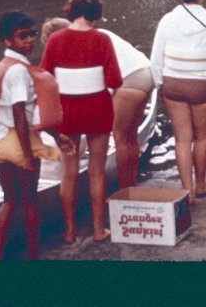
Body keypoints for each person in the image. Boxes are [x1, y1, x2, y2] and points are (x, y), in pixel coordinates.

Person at [0, 11, 75, 260]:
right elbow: (21, 114)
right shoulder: (19, 72)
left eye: (32, 34)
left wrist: (56, 135)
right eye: (23, 36)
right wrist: (28, 155)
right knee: (30, 202)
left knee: (9, 201)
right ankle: (33, 257)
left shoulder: (0, 68)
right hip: (19, 141)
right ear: (7, 41)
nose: (30, 40)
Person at [40, 0, 123, 243]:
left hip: (68, 113)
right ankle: (99, 229)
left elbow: (45, 78)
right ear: (96, 14)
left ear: (72, 11)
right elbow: (115, 80)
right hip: (97, 110)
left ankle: (69, 231)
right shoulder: (102, 40)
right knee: (96, 172)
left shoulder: (55, 40)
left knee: (69, 173)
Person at [42, 17, 155, 190]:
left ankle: (125, 193)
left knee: (120, 138)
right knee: (130, 137)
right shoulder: (95, 34)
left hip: (128, 80)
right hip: (146, 74)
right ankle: (131, 186)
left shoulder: (83, 45)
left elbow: (104, 84)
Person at [150, 0, 206, 203]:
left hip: (174, 85)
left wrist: (159, 85)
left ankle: (187, 191)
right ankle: (201, 184)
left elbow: (156, 58)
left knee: (182, 138)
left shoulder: (167, 20)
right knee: (202, 137)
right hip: (201, 87)